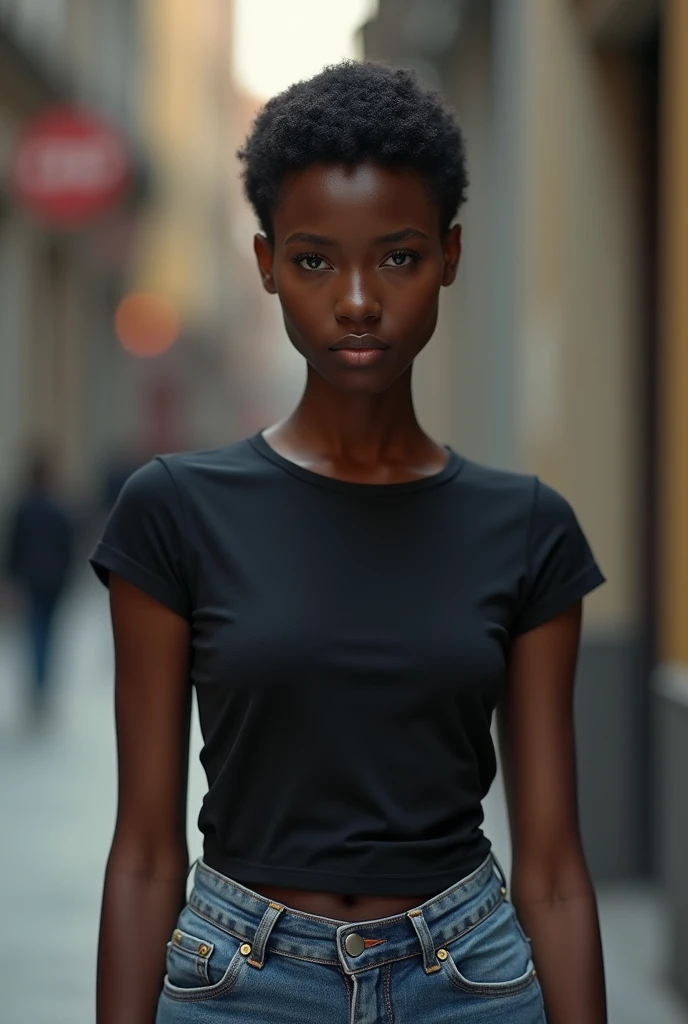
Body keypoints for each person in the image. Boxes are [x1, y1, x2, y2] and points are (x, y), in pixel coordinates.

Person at [89, 62, 607, 1024]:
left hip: (471, 982)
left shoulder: (529, 530)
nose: (359, 299)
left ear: (450, 255)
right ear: (265, 264)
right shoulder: (172, 513)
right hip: (239, 982)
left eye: (399, 258)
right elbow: (146, 851)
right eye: (316, 260)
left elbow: (555, 873)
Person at [3, 447, 75, 722]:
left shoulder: (22, 507)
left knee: (35, 631)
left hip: (31, 579)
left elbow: (12, 547)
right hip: (54, 578)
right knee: (49, 632)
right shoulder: (59, 507)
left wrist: (9, 578)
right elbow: (68, 546)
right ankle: (43, 686)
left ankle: (38, 686)